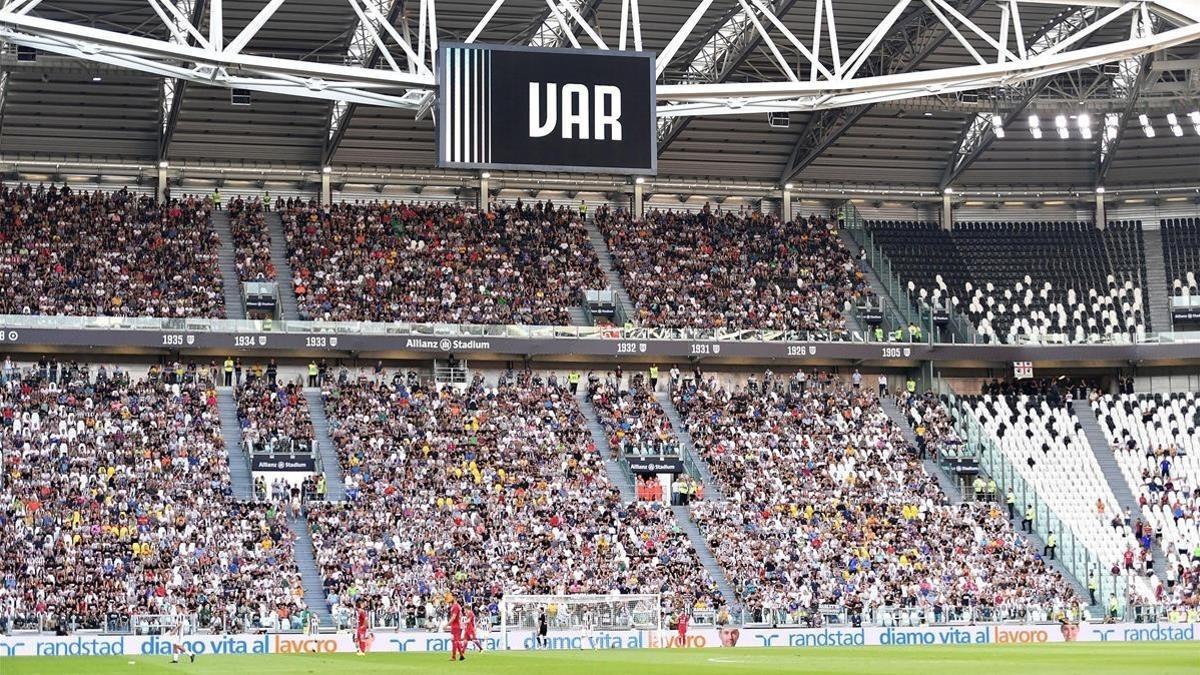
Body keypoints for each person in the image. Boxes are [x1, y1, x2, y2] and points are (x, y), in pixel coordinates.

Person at [448, 595, 465, 661]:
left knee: (455, 641)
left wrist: (447, 624)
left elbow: (454, 617)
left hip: (456, 626)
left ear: (454, 598)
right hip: (455, 625)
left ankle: (454, 656)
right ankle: (461, 655)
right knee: (454, 640)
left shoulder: (455, 606)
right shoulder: (456, 606)